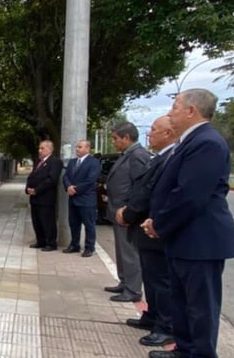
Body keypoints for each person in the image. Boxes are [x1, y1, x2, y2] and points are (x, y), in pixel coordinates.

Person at [142, 89, 234, 358]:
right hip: (183, 238)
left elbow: (189, 195)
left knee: (200, 306)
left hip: (201, 241)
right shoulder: (190, 142)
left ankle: (200, 353)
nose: (170, 112)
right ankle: (184, 350)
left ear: (191, 111)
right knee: (182, 301)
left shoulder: (207, 143)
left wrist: (159, 224)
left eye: (175, 106)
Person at [116, 115, 176, 347]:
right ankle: (152, 316)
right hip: (143, 225)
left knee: (161, 280)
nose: (148, 133)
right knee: (152, 278)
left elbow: (148, 191)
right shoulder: (158, 157)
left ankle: (165, 326)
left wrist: (129, 213)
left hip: (152, 225)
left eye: (153, 129)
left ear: (168, 133)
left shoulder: (168, 157)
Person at [104, 122, 151, 302]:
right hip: (117, 211)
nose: (113, 142)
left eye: (115, 138)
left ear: (126, 137)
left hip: (126, 213)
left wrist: (129, 209)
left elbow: (140, 187)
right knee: (122, 250)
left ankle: (133, 289)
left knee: (129, 252)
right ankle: (124, 282)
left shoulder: (138, 155)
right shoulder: (127, 154)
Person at [62, 140, 101, 257]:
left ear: (87, 149)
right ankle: (74, 245)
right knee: (73, 223)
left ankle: (89, 248)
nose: (77, 149)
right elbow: (66, 177)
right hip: (73, 199)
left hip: (86, 199)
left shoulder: (94, 163)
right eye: (77, 147)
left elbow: (90, 180)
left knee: (89, 225)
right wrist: (68, 187)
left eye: (80, 147)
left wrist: (76, 189)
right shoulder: (72, 162)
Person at [24, 140, 62, 251]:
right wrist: (28, 189)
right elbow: (32, 176)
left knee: (47, 221)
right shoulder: (38, 162)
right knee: (37, 221)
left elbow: (51, 180)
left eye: (42, 148)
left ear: (50, 149)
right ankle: (40, 241)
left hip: (46, 198)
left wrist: (37, 190)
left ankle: (51, 243)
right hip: (34, 198)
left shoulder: (55, 162)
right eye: (39, 148)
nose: (39, 150)